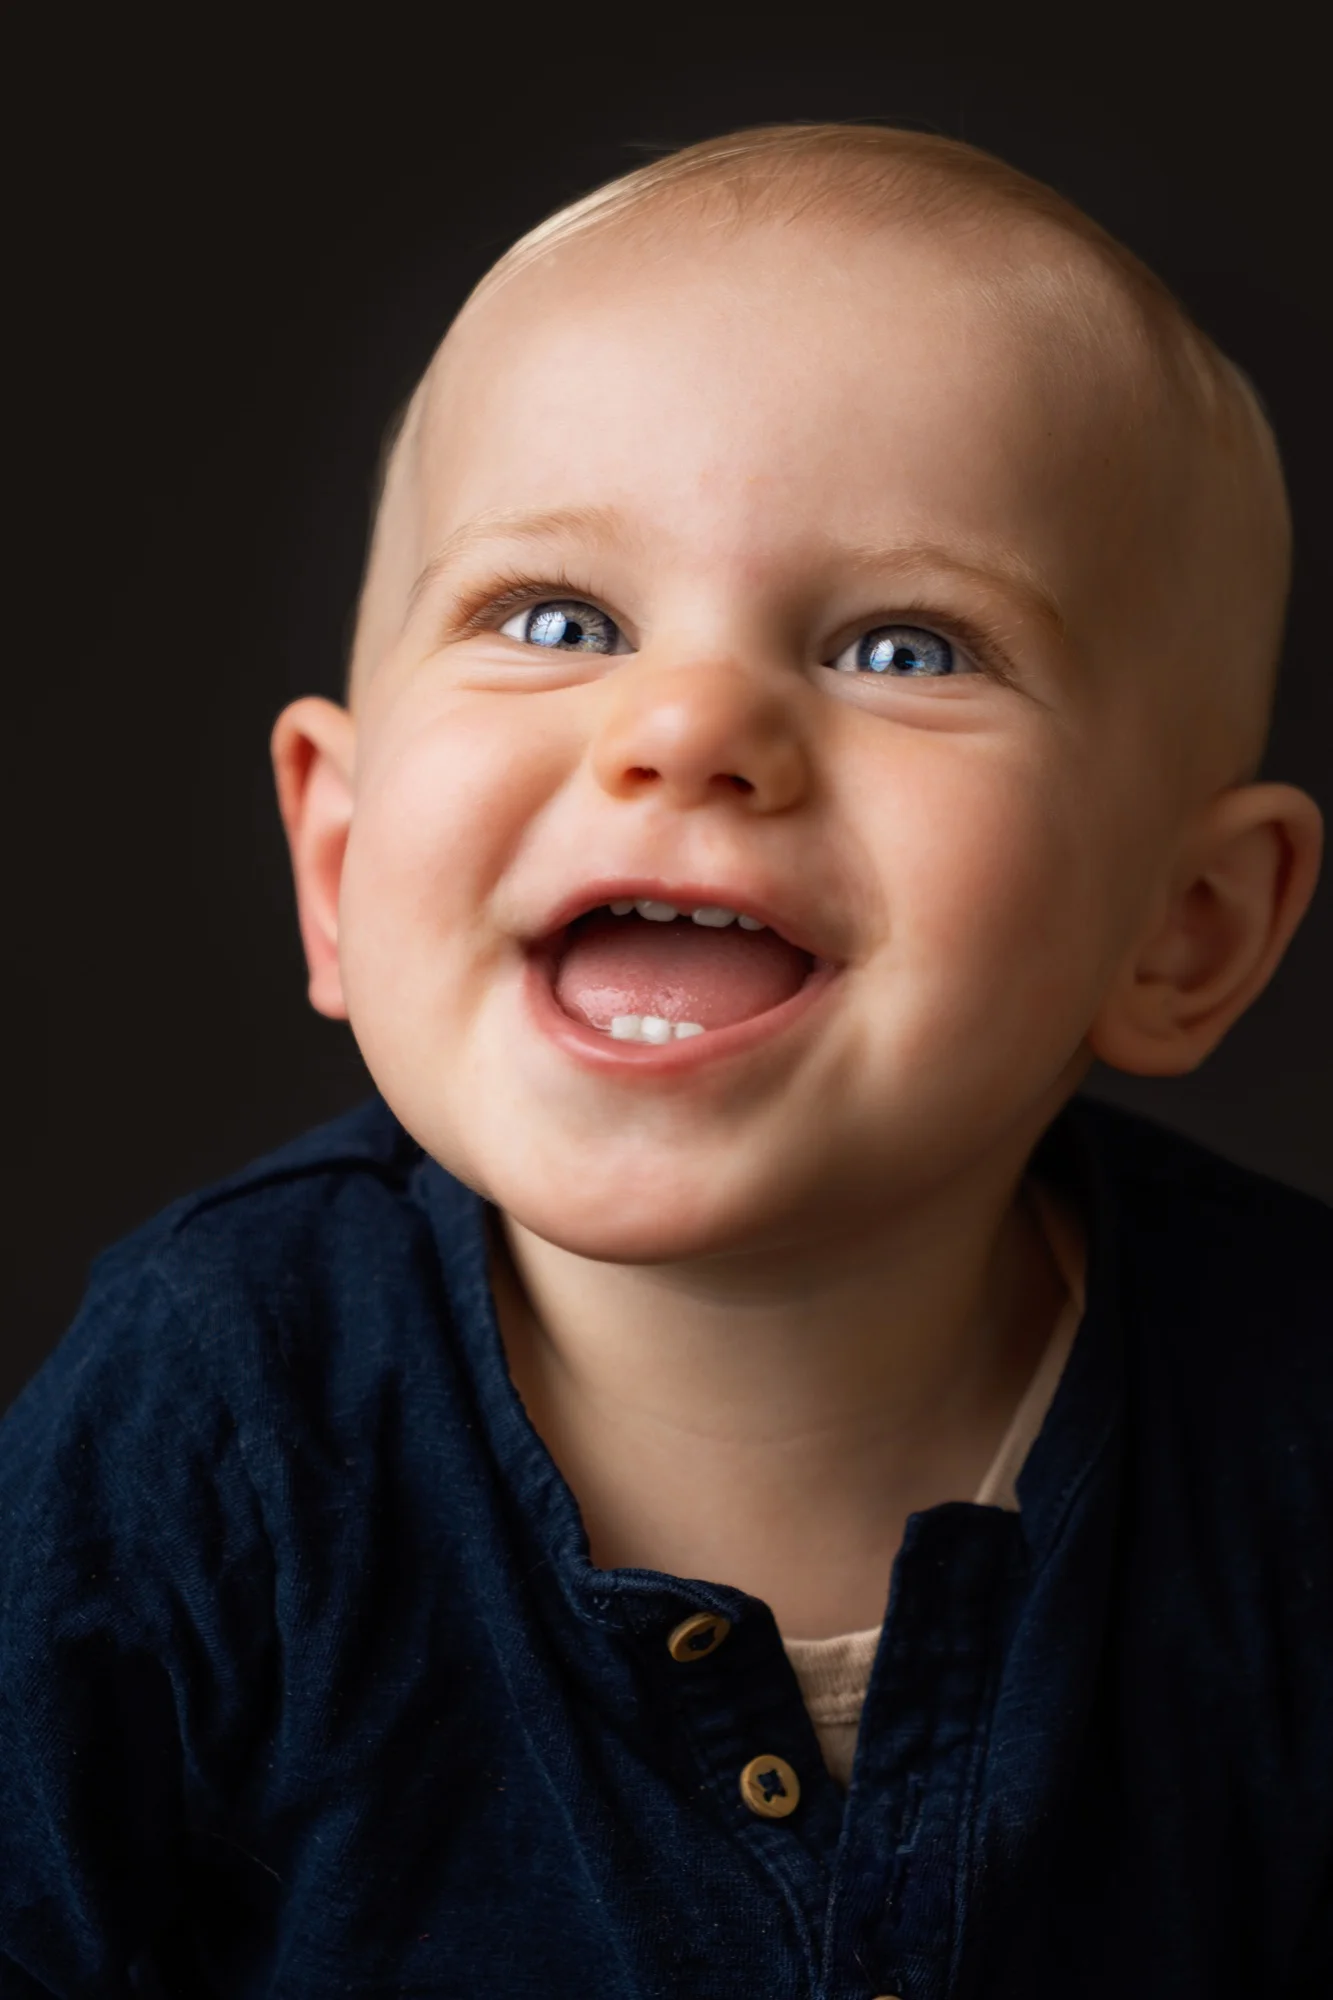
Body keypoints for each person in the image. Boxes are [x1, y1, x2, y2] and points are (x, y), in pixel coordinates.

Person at [2, 122, 1329, 1999]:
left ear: (1184, 928)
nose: (689, 722)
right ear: (341, 856)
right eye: (558, 620)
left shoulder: (1282, 1431)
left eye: (904, 644)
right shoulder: (210, 1422)